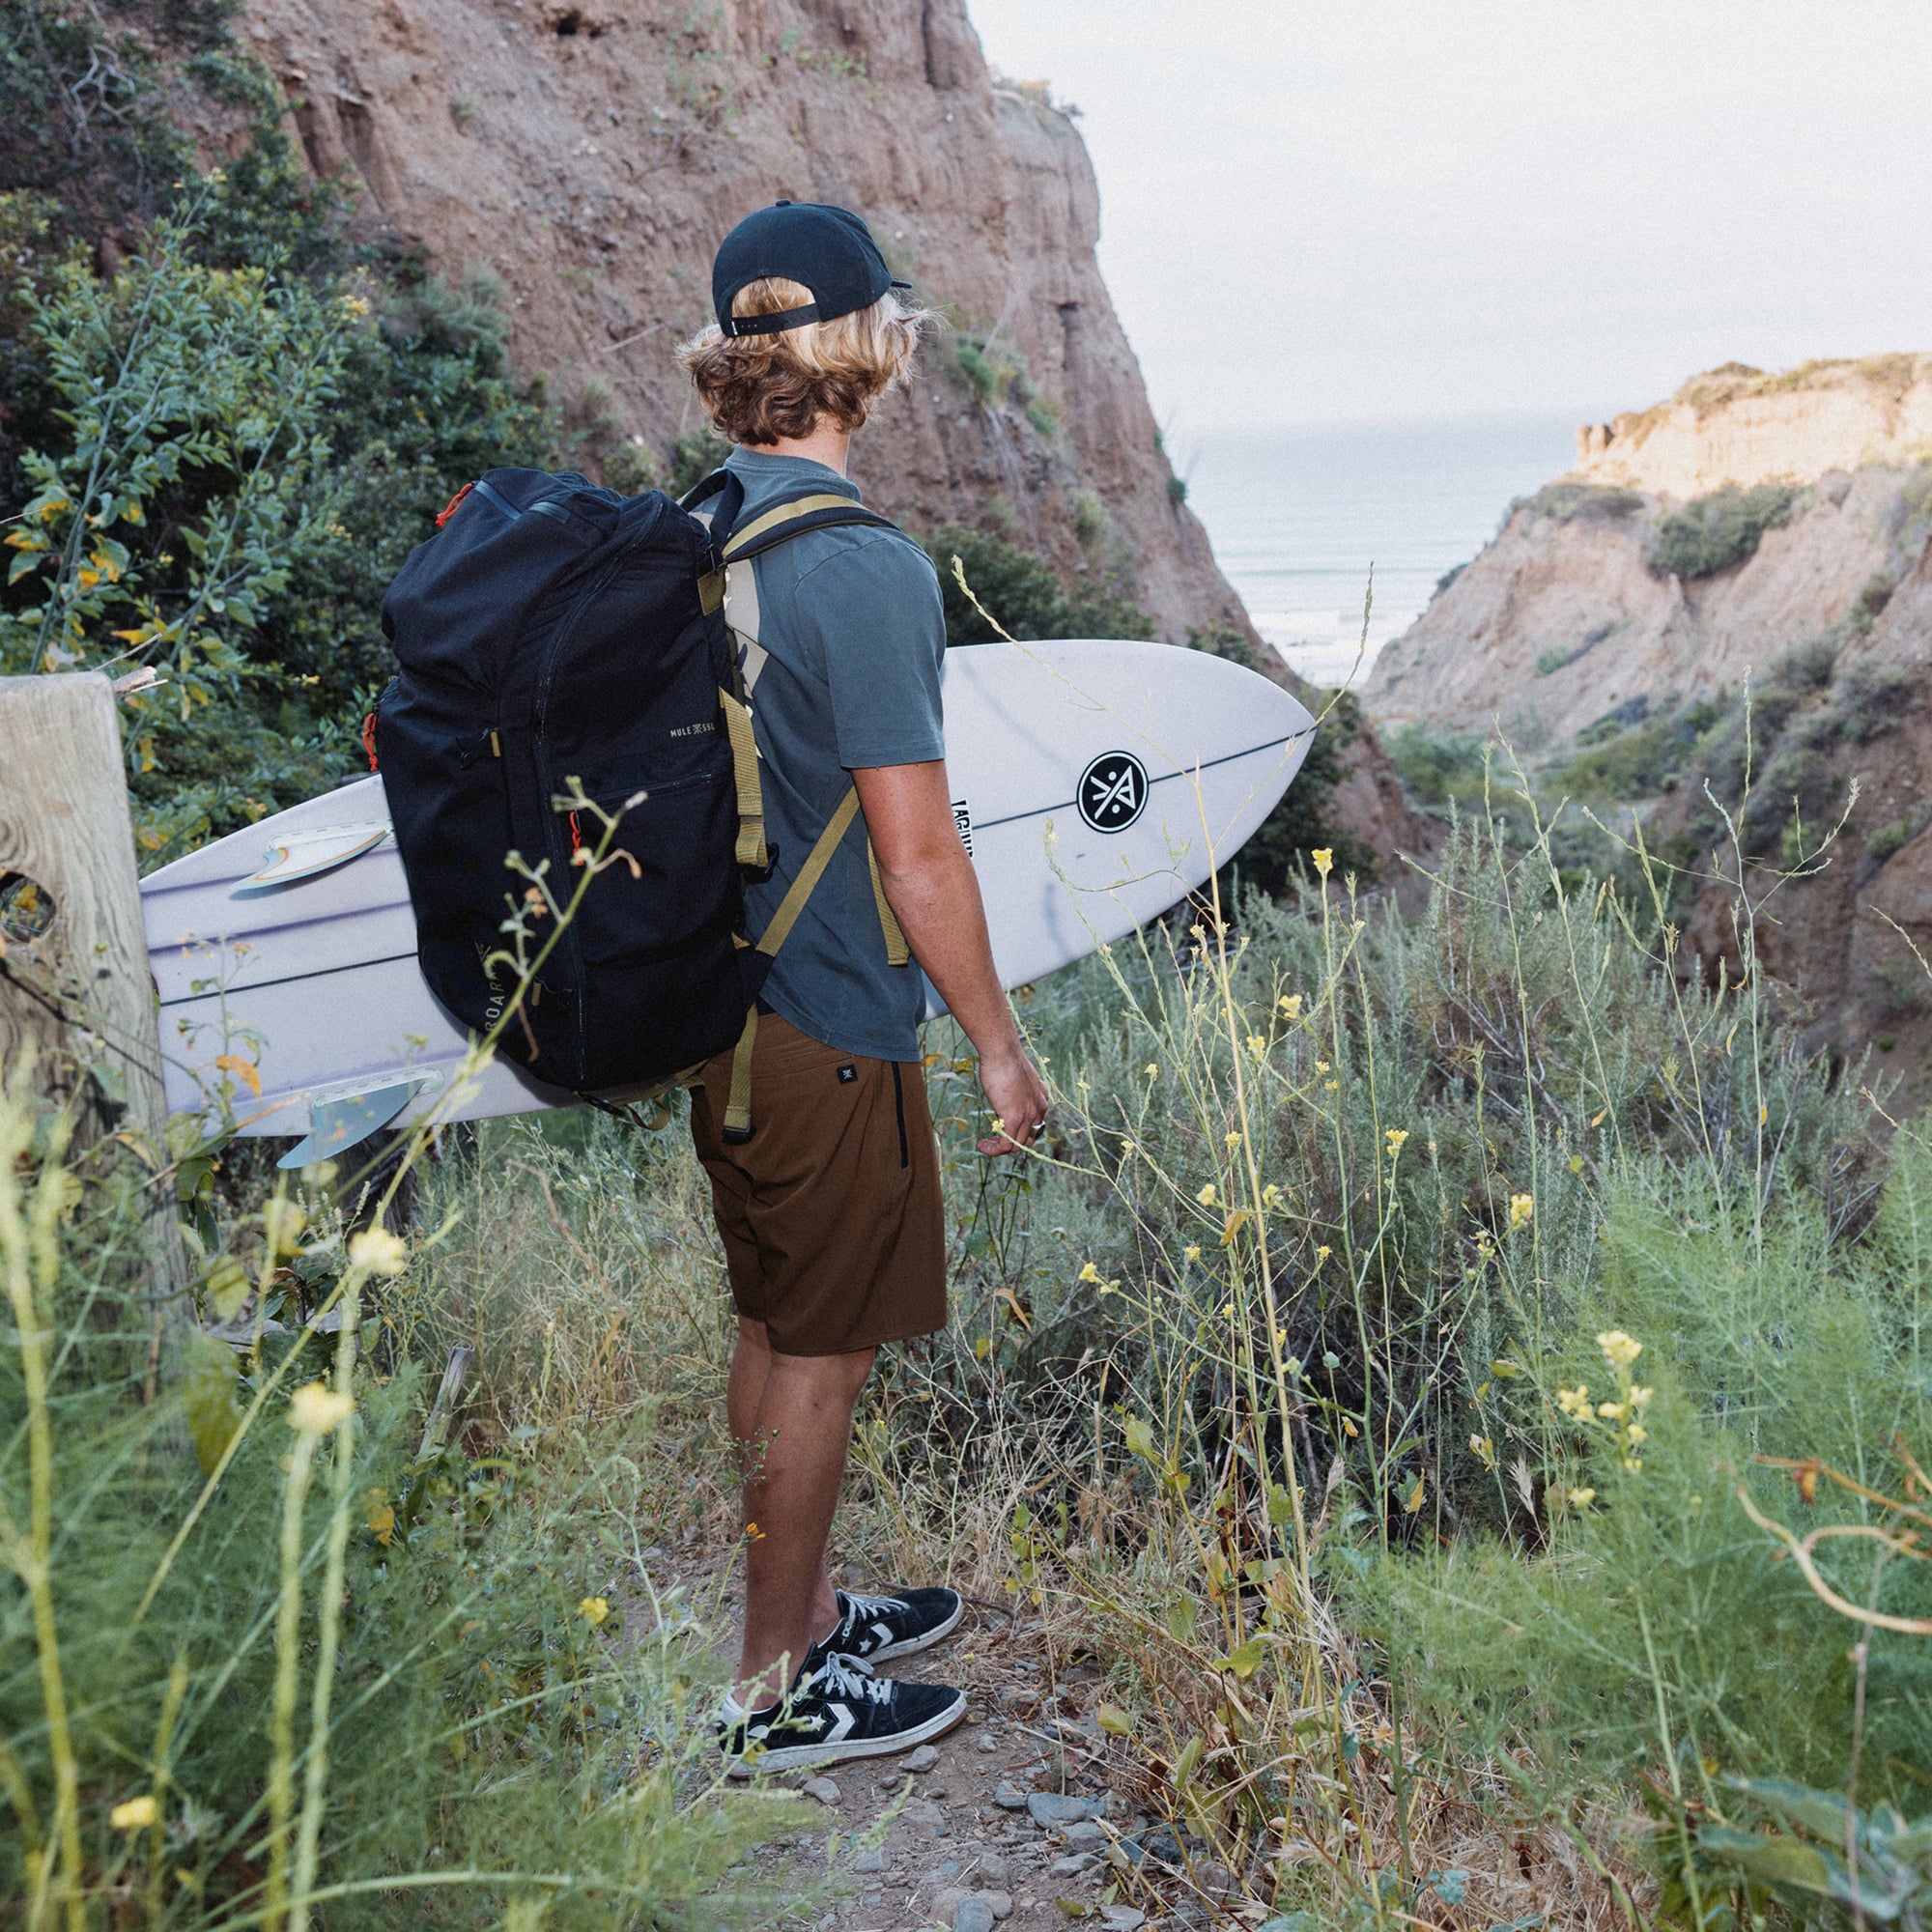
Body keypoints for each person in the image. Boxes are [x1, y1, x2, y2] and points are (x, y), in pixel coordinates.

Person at [678, 201, 1050, 1773]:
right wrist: (1000, 1048)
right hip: (832, 1022)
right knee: (821, 1354)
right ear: (869, 355)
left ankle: (809, 1613)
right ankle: (773, 1696)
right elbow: (923, 861)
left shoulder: (696, 524)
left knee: (774, 1316)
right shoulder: (867, 568)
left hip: (720, 1010)